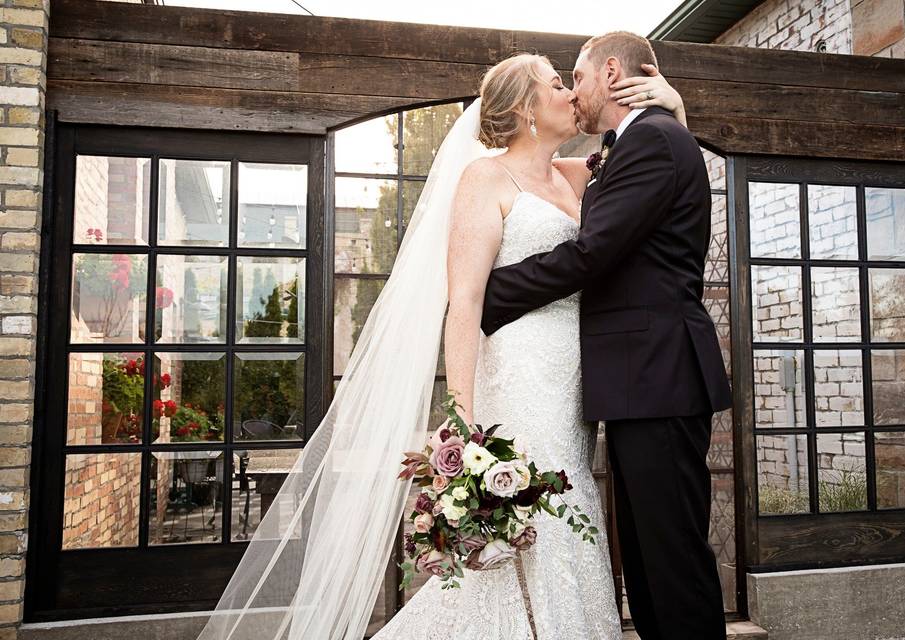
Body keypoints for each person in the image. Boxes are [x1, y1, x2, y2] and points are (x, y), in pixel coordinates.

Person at [195, 43, 688, 640]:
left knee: (570, 513)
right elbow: (465, 303)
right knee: (530, 525)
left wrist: (675, 108)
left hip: (576, 384)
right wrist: (462, 420)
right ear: (529, 108)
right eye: (557, 83)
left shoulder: (577, 177)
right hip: (519, 373)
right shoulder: (484, 178)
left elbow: (654, 169)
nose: (569, 91)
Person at [481, 32, 732, 639]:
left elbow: (594, 253)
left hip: (660, 378)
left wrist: (491, 294)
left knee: (671, 562)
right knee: (647, 565)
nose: (573, 91)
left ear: (611, 71)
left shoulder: (652, 141)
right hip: (637, 383)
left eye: (578, 76)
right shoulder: (631, 146)